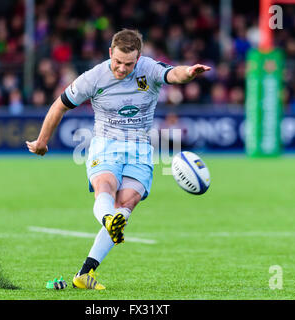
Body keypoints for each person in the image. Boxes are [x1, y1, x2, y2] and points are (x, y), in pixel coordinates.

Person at [26, 29, 211, 290]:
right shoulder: (93, 77)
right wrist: (42, 141)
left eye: (129, 64)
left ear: (139, 58)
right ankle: (108, 220)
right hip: (106, 144)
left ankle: (83, 274)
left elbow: (173, 73)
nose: (123, 68)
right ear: (110, 52)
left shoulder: (148, 68)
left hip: (140, 147)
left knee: (128, 202)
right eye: (118, 62)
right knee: (106, 186)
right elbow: (59, 104)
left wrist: (189, 72)